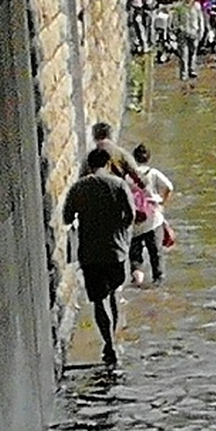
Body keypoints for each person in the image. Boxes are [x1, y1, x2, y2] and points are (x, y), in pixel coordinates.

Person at [63, 147, 136, 367]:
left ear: (90, 164)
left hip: (90, 253)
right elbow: (131, 215)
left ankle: (108, 342)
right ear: (108, 163)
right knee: (113, 292)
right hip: (116, 251)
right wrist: (121, 233)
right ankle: (114, 336)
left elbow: (67, 218)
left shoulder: (79, 187)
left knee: (98, 300)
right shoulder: (119, 185)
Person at [126, 142, 174, 287]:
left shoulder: (127, 176)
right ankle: (157, 282)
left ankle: (137, 280)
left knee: (135, 256)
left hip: (135, 220)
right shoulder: (152, 173)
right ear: (148, 158)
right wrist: (162, 201)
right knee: (155, 252)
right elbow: (169, 187)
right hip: (153, 218)